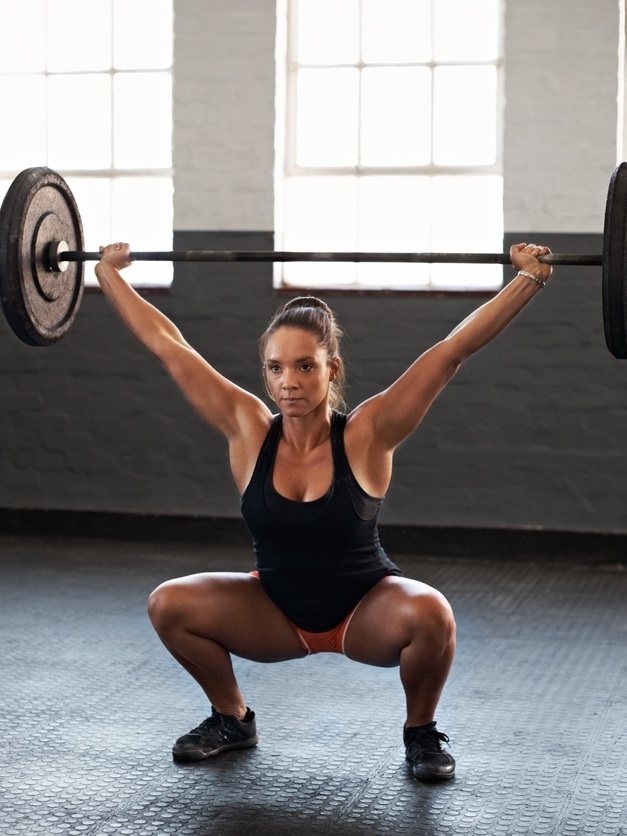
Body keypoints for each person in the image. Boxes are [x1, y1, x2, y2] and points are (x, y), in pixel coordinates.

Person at [94, 242, 553, 782]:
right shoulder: (247, 428)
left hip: (365, 612)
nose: (289, 381)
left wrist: (529, 280)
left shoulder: (367, 433)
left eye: (305, 366)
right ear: (265, 374)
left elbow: (451, 351)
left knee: (433, 614)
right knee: (168, 604)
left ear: (331, 368)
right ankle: (232, 718)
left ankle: (420, 733)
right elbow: (169, 346)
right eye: (276, 368)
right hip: (275, 614)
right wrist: (107, 275)